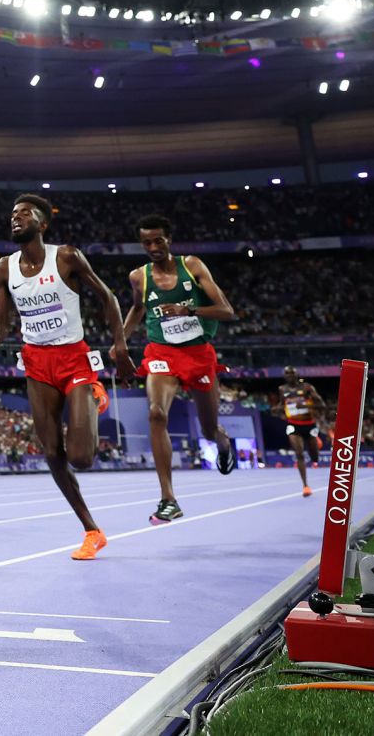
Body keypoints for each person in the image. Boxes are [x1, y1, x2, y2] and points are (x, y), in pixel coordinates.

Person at [0, 194, 130, 561]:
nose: (15, 219)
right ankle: (92, 530)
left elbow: (107, 296)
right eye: (11, 215)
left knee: (80, 458)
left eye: (23, 214)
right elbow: (2, 317)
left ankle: (94, 393)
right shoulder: (4, 268)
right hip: (36, 362)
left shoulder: (65, 256)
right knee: (52, 454)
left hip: (74, 359)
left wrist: (121, 346)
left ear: (42, 223)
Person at [120, 214, 238, 524]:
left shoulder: (193, 266)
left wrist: (189, 309)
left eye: (158, 240)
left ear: (169, 239)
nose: (153, 246)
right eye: (147, 242)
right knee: (156, 413)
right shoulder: (139, 276)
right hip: (161, 353)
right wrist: (120, 340)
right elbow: (138, 307)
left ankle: (223, 442)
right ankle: (168, 499)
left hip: (198, 354)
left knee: (210, 429)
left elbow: (226, 311)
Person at [278, 366, 327, 497]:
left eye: (292, 373)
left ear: (296, 374)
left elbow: (322, 405)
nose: (289, 375)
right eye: (287, 373)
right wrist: (278, 410)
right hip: (293, 425)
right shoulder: (282, 389)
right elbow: (282, 405)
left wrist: (305, 406)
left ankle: (316, 445)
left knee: (314, 457)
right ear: (284, 376)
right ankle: (305, 486)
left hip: (309, 424)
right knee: (299, 454)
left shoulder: (307, 388)